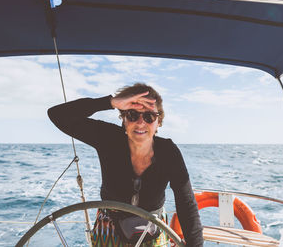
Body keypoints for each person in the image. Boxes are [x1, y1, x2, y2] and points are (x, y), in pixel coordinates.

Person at [48, 83, 203, 246]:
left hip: (152, 227)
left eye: (149, 117)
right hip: (110, 226)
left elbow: (186, 203)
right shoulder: (109, 138)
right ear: (124, 120)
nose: (141, 123)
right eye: (133, 115)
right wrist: (110, 102)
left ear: (159, 122)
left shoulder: (168, 152)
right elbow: (57, 115)